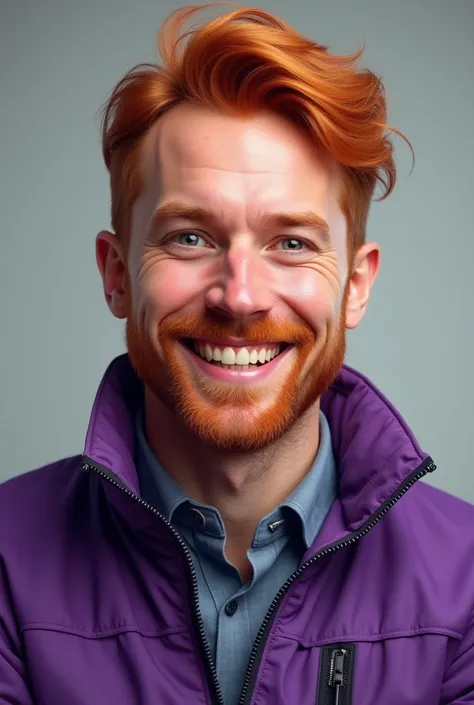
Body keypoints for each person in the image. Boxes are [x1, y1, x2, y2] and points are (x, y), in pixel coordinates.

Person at [1, 5, 473, 704]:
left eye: (292, 243)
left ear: (356, 285)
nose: (241, 296)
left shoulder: (466, 581)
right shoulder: (6, 563)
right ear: (116, 274)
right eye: (191, 236)